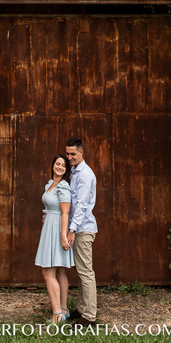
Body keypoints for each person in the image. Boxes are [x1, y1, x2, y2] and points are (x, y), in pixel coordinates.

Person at [34, 154, 74, 324]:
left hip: (57, 230)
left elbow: (65, 212)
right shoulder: (50, 184)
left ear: (66, 170)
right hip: (49, 226)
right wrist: (46, 214)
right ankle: (64, 310)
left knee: (48, 272)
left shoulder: (63, 187)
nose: (60, 167)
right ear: (52, 165)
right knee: (60, 271)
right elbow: (51, 207)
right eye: (57, 164)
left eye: (63, 166)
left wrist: (63, 236)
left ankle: (57, 314)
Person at [65, 137, 97, 325]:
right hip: (78, 228)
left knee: (85, 272)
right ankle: (82, 308)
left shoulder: (84, 174)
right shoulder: (75, 172)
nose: (69, 157)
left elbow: (82, 205)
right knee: (80, 269)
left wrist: (71, 229)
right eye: (67, 154)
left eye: (73, 154)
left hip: (82, 229)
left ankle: (90, 317)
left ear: (81, 152)